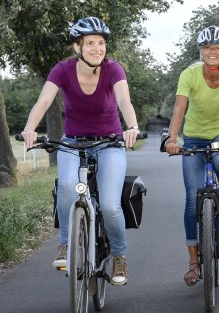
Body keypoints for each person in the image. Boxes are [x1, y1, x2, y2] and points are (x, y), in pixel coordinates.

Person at [21, 16, 140, 285]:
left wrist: (131, 125)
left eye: (101, 43)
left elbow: (124, 100)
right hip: (72, 141)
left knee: (110, 206)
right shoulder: (62, 70)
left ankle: (119, 256)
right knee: (66, 187)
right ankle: (65, 244)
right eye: (90, 44)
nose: (97, 48)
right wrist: (30, 129)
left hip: (109, 142)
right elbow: (44, 101)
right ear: (77, 47)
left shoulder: (113, 70)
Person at [163, 25, 219, 286]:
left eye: (218, 48)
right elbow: (179, 109)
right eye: (207, 48)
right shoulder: (189, 74)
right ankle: (194, 262)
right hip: (194, 136)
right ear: (201, 52)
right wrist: (172, 139)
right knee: (192, 199)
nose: (212, 52)